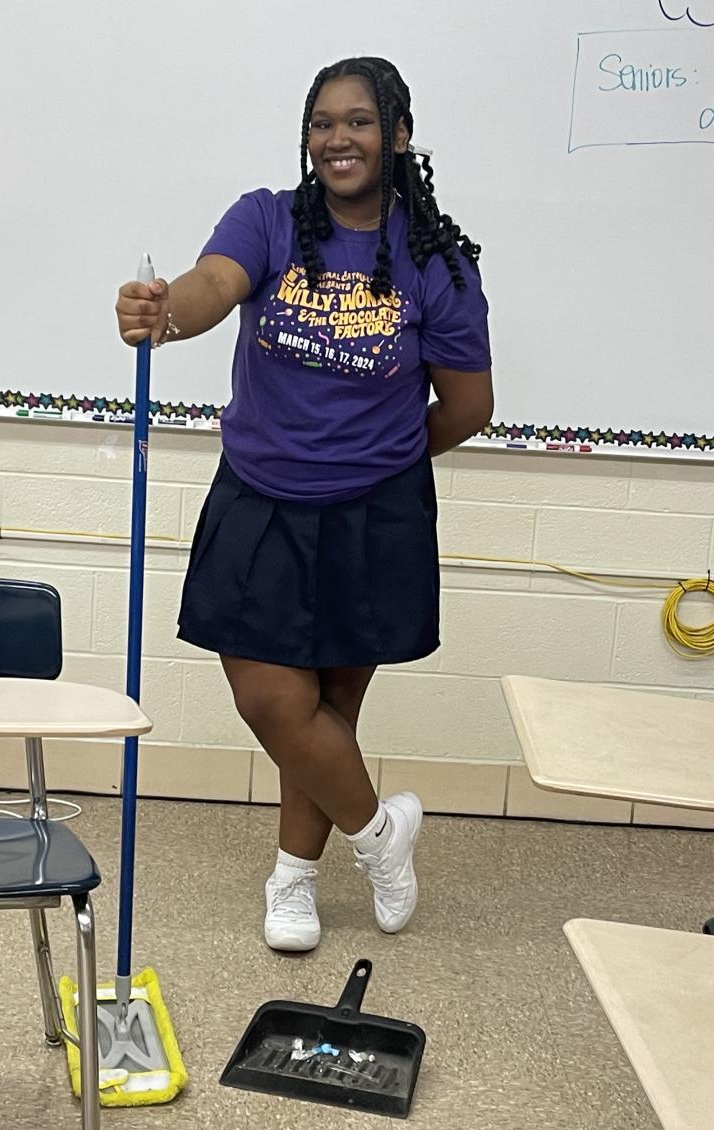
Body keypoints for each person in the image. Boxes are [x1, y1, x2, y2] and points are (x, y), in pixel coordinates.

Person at [115, 55, 493, 953]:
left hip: (374, 512)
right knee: (274, 701)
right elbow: (214, 284)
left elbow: (468, 407)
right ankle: (381, 836)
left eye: (359, 122)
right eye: (322, 123)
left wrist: (380, 455)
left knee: (330, 710)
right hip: (261, 499)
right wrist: (167, 312)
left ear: (399, 136)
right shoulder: (268, 220)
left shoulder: (435, 264)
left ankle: (294, 878)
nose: (337, 139)